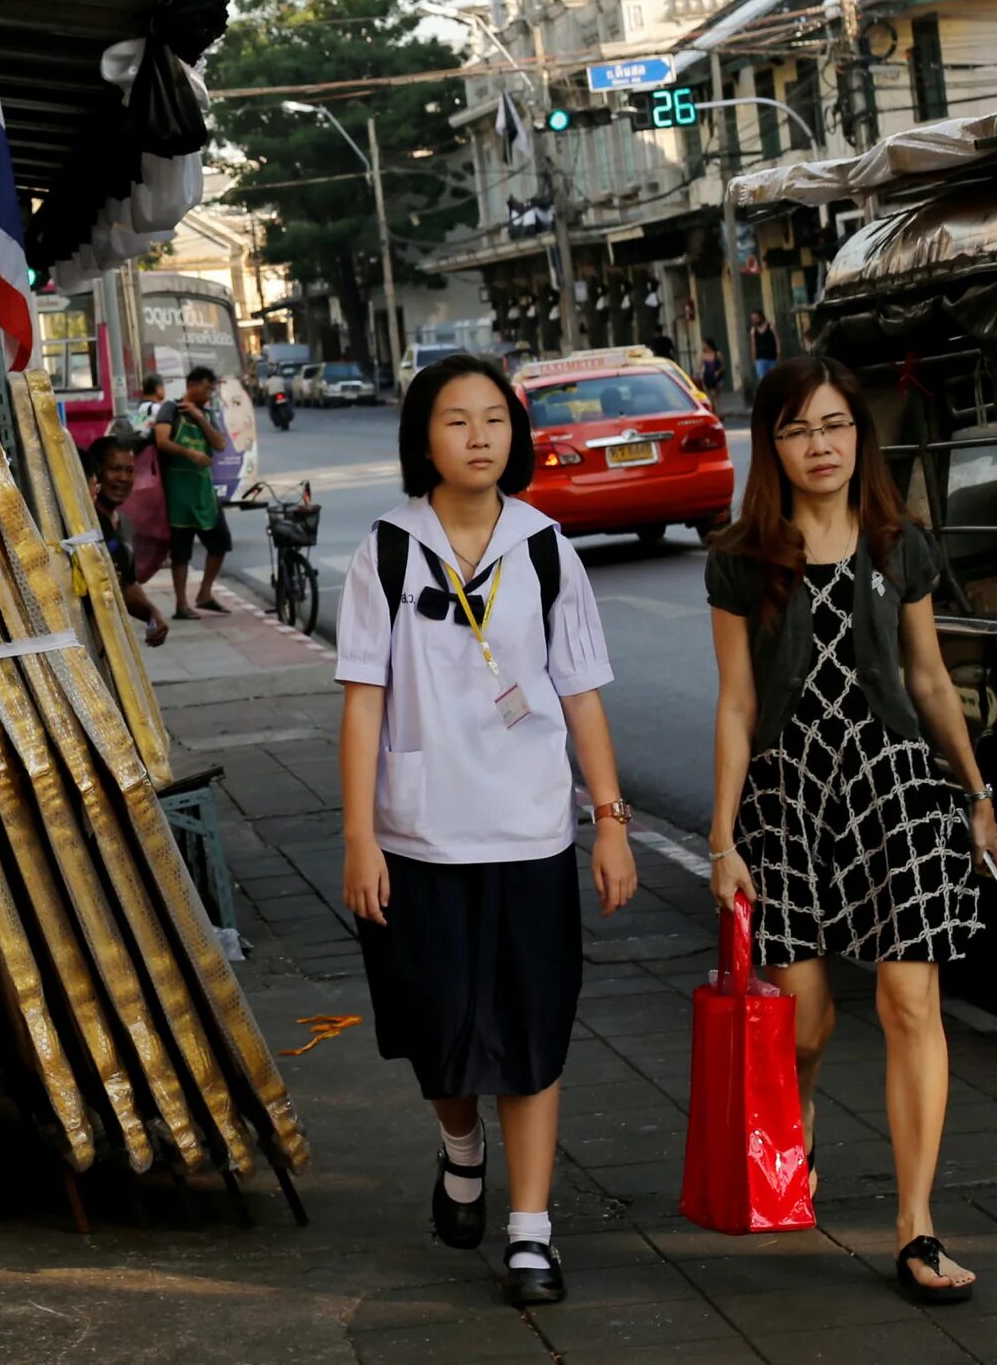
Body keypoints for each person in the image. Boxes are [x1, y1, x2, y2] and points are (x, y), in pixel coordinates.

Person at [337, 354, 636, 1308]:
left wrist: (611, 822)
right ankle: (459, 1146)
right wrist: (358, 836)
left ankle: (531, 1230)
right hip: (420, 835)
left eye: (495, 420)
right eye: (457, 420)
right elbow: (362, 703)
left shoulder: (548, 548)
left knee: (532, 1034)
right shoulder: (386, 550)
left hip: (530, 830)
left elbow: (581, 695)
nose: (479, 437)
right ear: (421, 437)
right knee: (436, 1031)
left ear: (517, 435)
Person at [705, 355, 997, 1304]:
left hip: (896, 788)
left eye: (834, 425)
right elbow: (737, 704)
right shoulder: (740, 559)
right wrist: (722, 839)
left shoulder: (898, 543)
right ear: (773, 445)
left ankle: (916, 1225)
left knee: (911, 1002)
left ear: (859, 435)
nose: (819, 445)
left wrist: (976, 788)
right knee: (800, 1025)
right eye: (797, 430)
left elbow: (925, 677)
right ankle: (802, 1146)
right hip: (787, 797)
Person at [154, 365, 232, 620]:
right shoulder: (170, 409)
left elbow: (219, 444)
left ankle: (205, 594)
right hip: (178, 492)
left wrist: (199, 417)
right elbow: (161, 441)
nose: (210, 393)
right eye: (208, 387)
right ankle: (181, 604)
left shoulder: (206, 413)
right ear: (193, 385)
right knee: (181, 551)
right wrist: (189, 453)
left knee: (220, 542)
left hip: (204, 492)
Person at [81, 435, 169, 647]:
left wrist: (151, 613)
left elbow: (127, 585)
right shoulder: (82, 526)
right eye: (114, 469)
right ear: (97, 473)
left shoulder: (125, 525)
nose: (123, 478)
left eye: (129, 470)